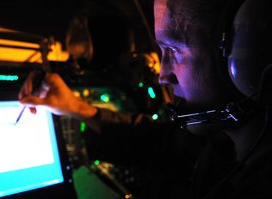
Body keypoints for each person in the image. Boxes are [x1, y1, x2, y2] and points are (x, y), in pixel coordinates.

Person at [19, 0, 272, 198]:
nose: (163, 75)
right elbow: (158, 143)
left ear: (245, 55)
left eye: (173, 50)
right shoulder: (219, 145)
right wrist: (74, 107)